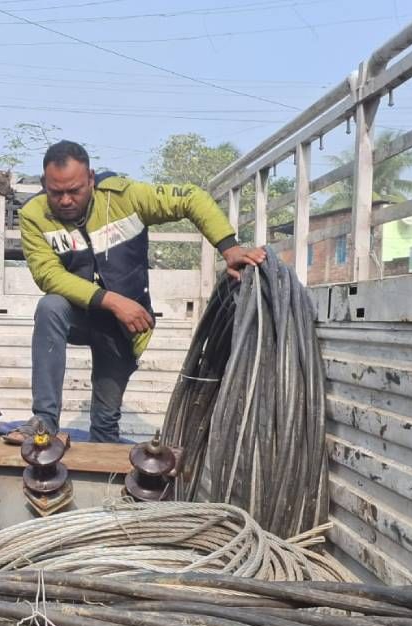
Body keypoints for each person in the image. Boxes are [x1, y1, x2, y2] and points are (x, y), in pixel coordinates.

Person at [14, 140, 264, 443]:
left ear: (91, 179)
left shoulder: (125, 197)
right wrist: (114, 301)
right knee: (50, 307)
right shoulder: (33, 216)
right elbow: (48, 275)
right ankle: (44, 419)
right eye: (56, 193)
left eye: (75, 190)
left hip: (124, 327)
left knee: (105, 426)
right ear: (44, 184)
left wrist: (229, 248)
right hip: (79, 315)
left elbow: (192, 198)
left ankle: (102, 486)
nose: (66, 200)